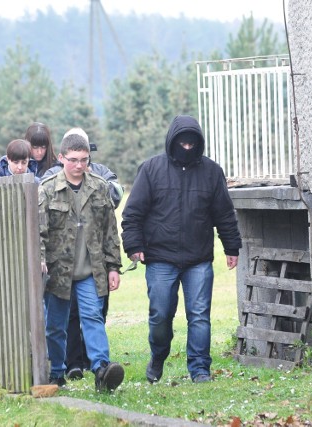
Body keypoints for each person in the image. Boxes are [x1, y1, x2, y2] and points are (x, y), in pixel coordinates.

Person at [121, 114, 243, 384]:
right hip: (160, 257)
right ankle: (158, 354)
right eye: (182, 144)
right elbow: (133, 213)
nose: (186, 149)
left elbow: (224, 213)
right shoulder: (151, 169)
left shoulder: (212, 172)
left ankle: (200, 369)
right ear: (172, 142)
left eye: (191, 145)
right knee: (160, 314)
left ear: (198, 144)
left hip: (198, 258)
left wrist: (231, 246)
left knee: (199, 315)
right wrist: (134, 245)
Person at [38, 132, 124, 392]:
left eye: (84, 160)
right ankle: (56, 373)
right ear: (62, 158)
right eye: (73, 160)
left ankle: (102, 369)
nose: (79, 165)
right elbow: (38, 231)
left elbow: (110, 230)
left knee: (92, 317)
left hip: (90, 270)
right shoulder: (48, 188)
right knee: (56, 326)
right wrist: (40, 260)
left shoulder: (99, 187)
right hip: (57, 271)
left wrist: (113, 266)